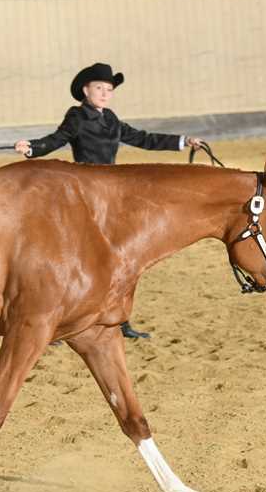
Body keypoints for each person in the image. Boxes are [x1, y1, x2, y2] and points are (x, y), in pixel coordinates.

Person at [14, 62, 203, 340]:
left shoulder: (111, 118)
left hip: (113, 195)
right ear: (86, 90)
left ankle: (118, 320)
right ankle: (57, 320)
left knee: (121, 259)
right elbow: (57, 139)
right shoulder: (77, 116)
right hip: (87, 193)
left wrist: (182, 141)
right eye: (99, 88)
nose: (105, 93)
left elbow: (142, 138)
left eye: (109, 90)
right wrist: (33, 147)